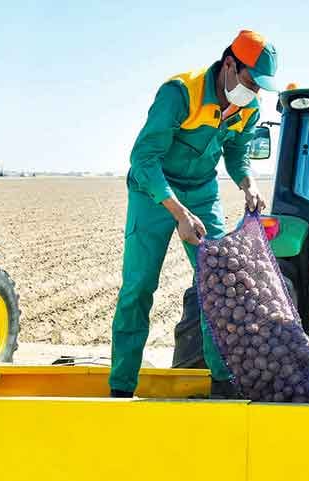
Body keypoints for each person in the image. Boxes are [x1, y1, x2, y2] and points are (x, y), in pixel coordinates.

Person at [110, 30, 280, 398]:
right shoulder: (181, 93)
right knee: (138, 287)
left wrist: (248, 183)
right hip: (153, 191)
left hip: (202, 192)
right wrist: (178, 212)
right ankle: (121, 387)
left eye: (261, 86)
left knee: (218, 285)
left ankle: (223, 386)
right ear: (230, 64)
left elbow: (237, 154)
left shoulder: (249, 108)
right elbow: (144, 159)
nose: (255, 92)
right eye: (252, 81)